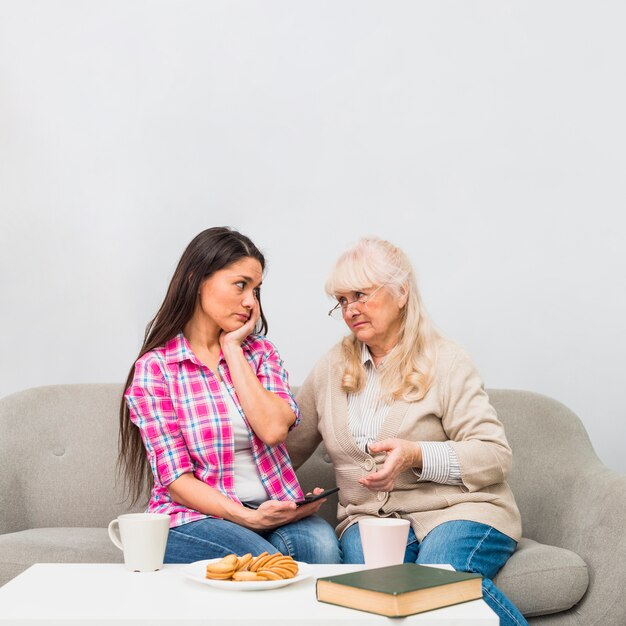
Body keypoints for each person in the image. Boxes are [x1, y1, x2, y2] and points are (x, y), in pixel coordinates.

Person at [286, 237, 528, 625]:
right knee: (371, 602)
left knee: (434, 584)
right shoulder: (330, 369)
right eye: (342, 300)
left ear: (401, 293)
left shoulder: (447, 361)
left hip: (458, 512)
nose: (351, 310)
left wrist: (416, 455)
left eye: (361, 294)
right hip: (369, 522)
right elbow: (285, 453)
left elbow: (495, 456)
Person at [118, 227, 341, 564]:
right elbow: (177, 481)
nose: (251, 301)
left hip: (277, 508)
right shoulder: (156, 369)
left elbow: (273, 429)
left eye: (256, 290)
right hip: (194, 516)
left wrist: (233, 348)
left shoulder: (261, 354)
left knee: (321, 550)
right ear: (196, 279)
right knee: (266, 560)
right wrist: (246, 517)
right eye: (241, 285)